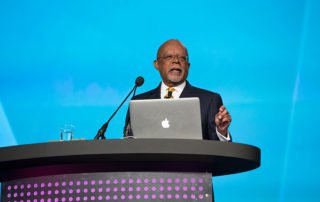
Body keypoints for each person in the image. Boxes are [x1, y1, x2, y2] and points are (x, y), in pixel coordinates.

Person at [124, 39, 232, 141]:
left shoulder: (209, 100)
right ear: (157, 64)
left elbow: (219, 149)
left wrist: (221, 131)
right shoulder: (138, 102)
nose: (176, 61)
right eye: (169, 57)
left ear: (188, 66)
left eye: (182, 58)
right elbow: (128, 143)